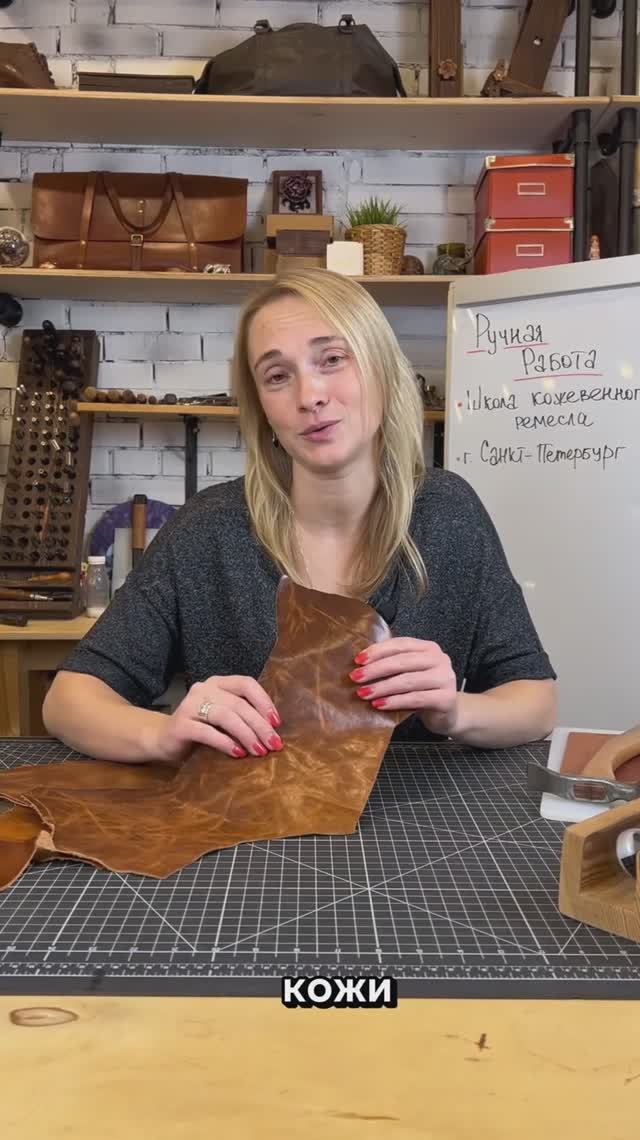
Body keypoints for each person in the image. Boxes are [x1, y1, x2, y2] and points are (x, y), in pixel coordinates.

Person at [43, 268, 557, 764]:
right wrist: (164, 733)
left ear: (382, 370)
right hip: (249, 817)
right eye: (277, 376)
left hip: (420, 810)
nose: (309, 397)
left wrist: (454, 712)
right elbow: (69, 700)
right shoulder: (208, 530)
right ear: (262, 409)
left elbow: (535, 702)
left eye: (332, 359)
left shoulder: (449, 514)